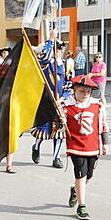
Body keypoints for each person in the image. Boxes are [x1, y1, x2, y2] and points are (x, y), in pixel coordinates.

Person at [63, 75, 109, 220]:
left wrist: (105, 143)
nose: (85, 94)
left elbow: (103, 124)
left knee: (89, 175)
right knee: (80, 173)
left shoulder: (98, 105)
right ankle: (82, 206)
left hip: (93, 145)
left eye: (88, 92)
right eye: (82, 91)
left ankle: (75, 190)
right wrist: (59, 121)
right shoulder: (66, 106)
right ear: (75, 90)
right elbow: (58, 128)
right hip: (75, 145)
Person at [30, 33, 67, 169]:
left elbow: (69, 83)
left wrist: (63, 98)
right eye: (56, 48)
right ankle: (36, 146)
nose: (58, 51)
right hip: (46, 101)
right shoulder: (44, 62)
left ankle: (56, 158)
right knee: (43, 130)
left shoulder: (64, 64)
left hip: (60, 103)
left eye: (60, 49)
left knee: (59, 132)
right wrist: (51, 40)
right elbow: (44, 56)